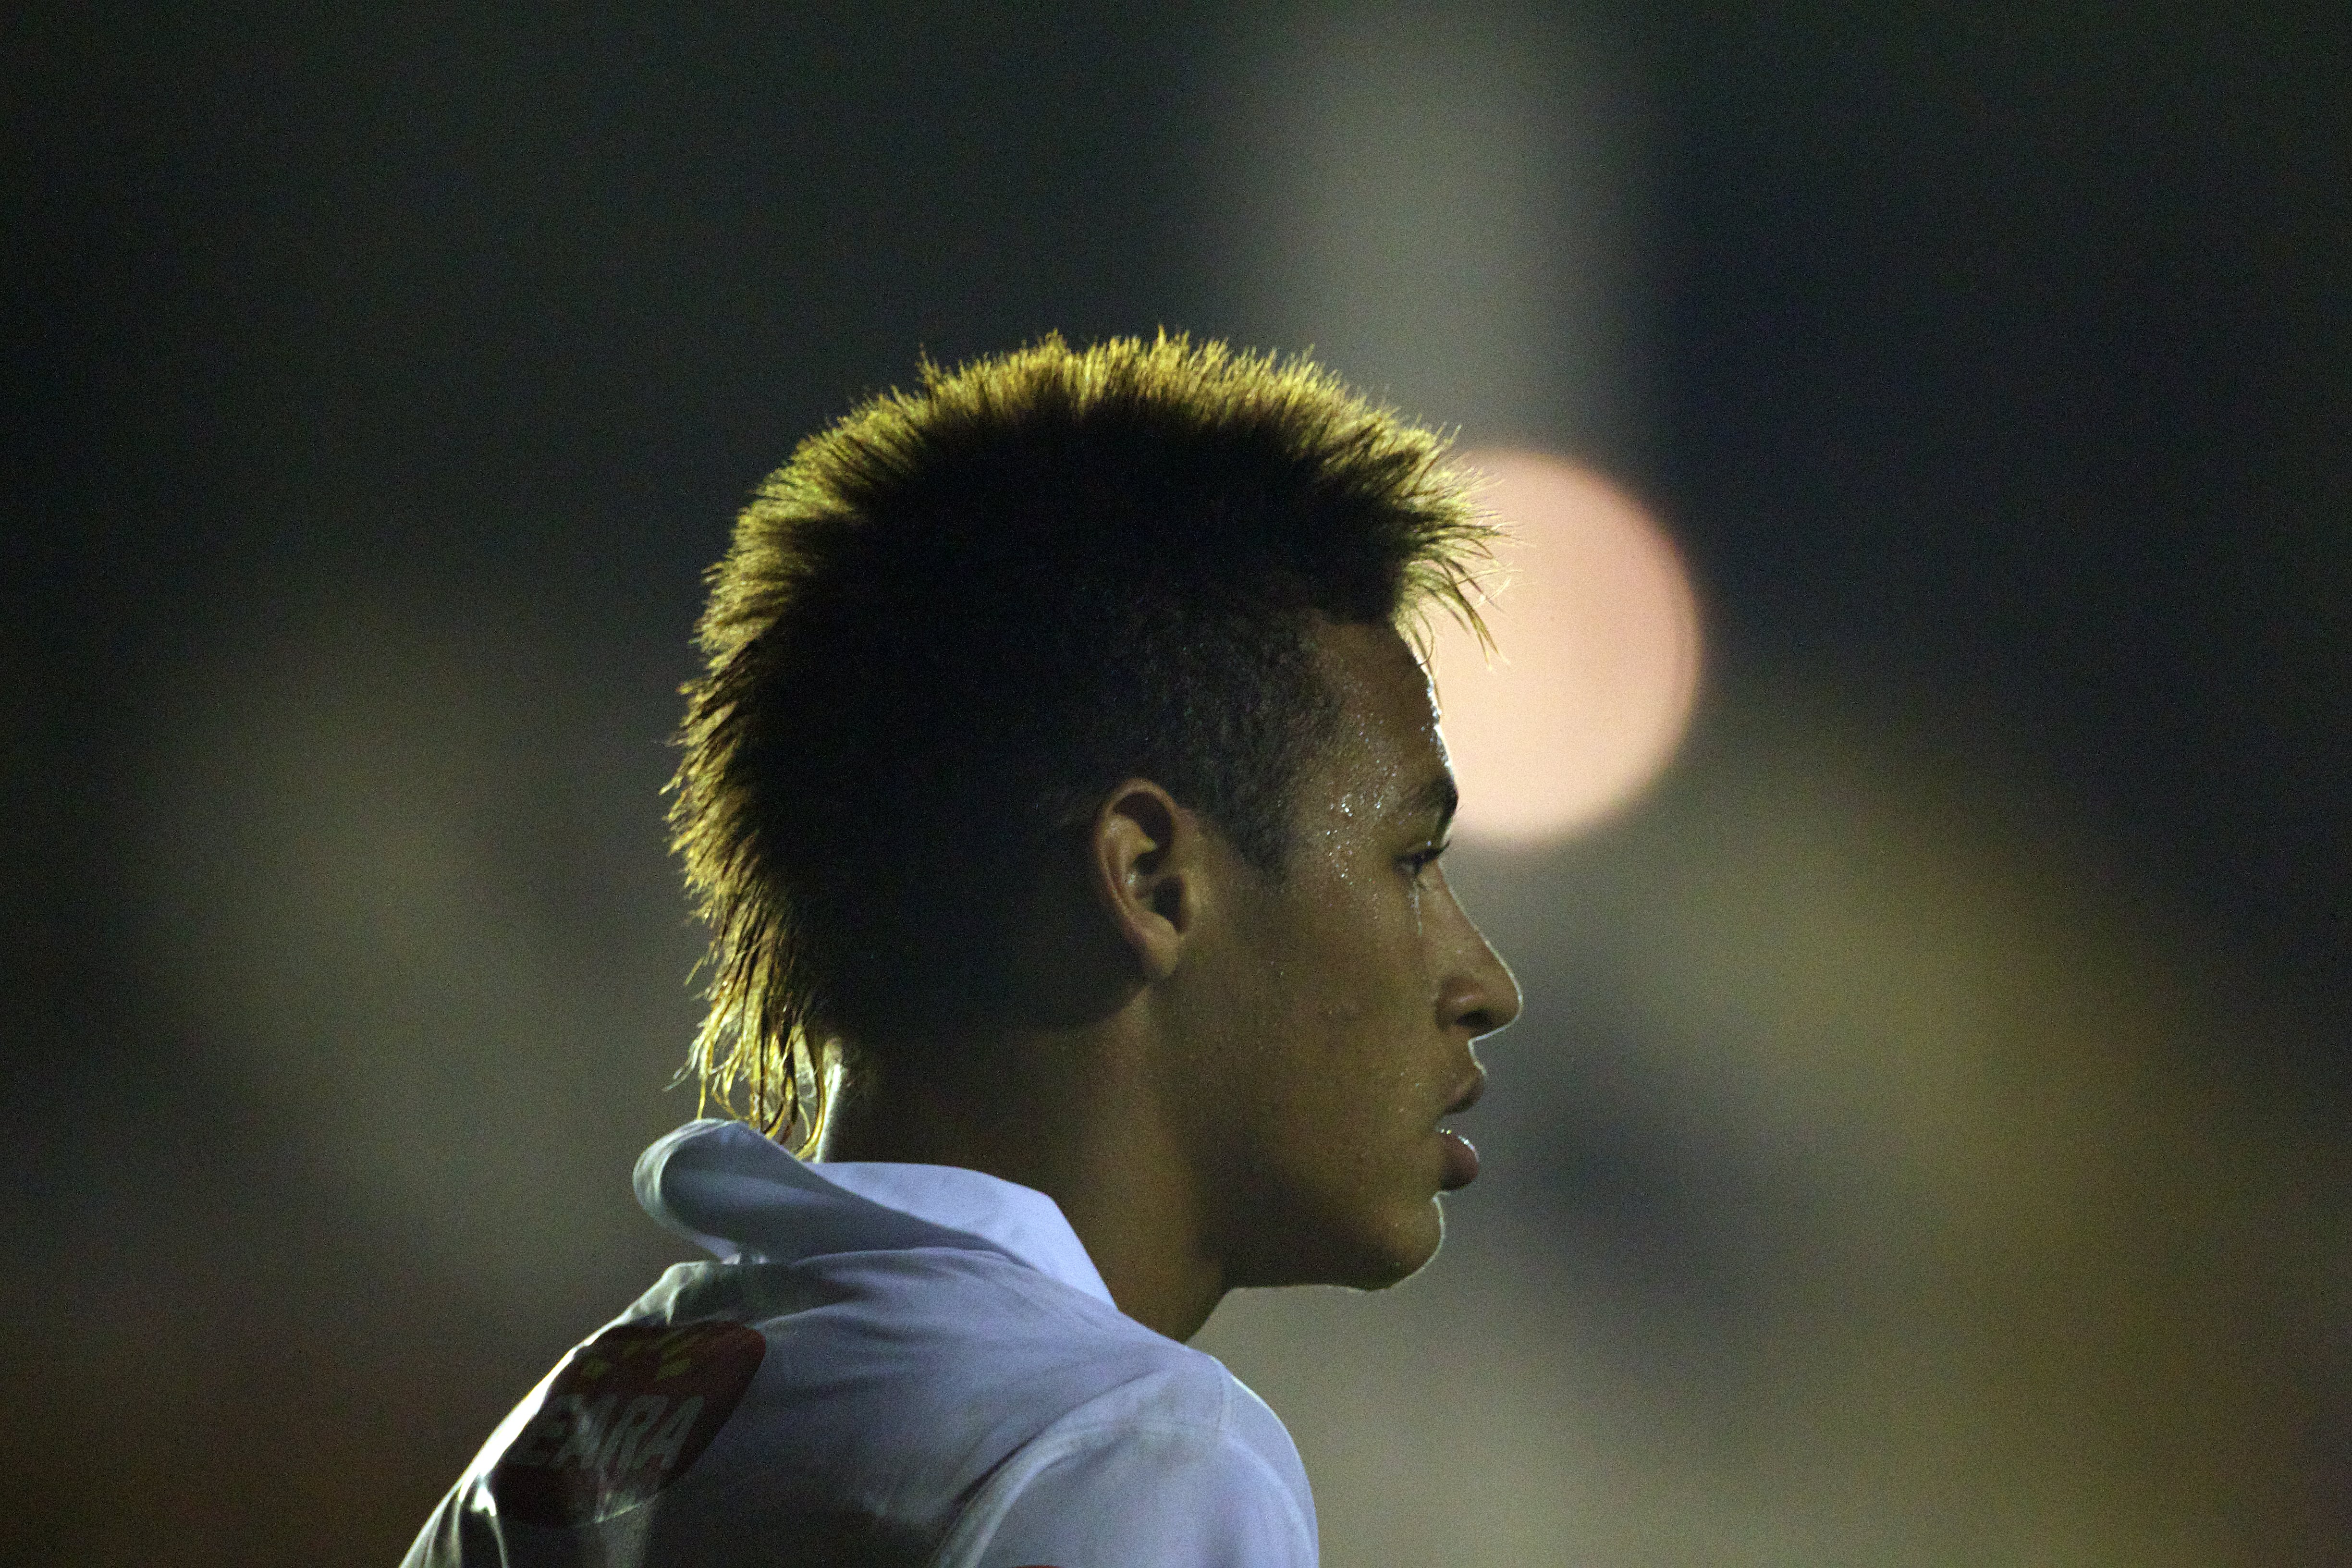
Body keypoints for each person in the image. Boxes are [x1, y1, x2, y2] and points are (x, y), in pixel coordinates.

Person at [403, 334, 1522, 1567]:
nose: (1485, 984)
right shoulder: (1126, 1455)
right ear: (1149, 880)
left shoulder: (562, 1447)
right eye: (1412, 863)